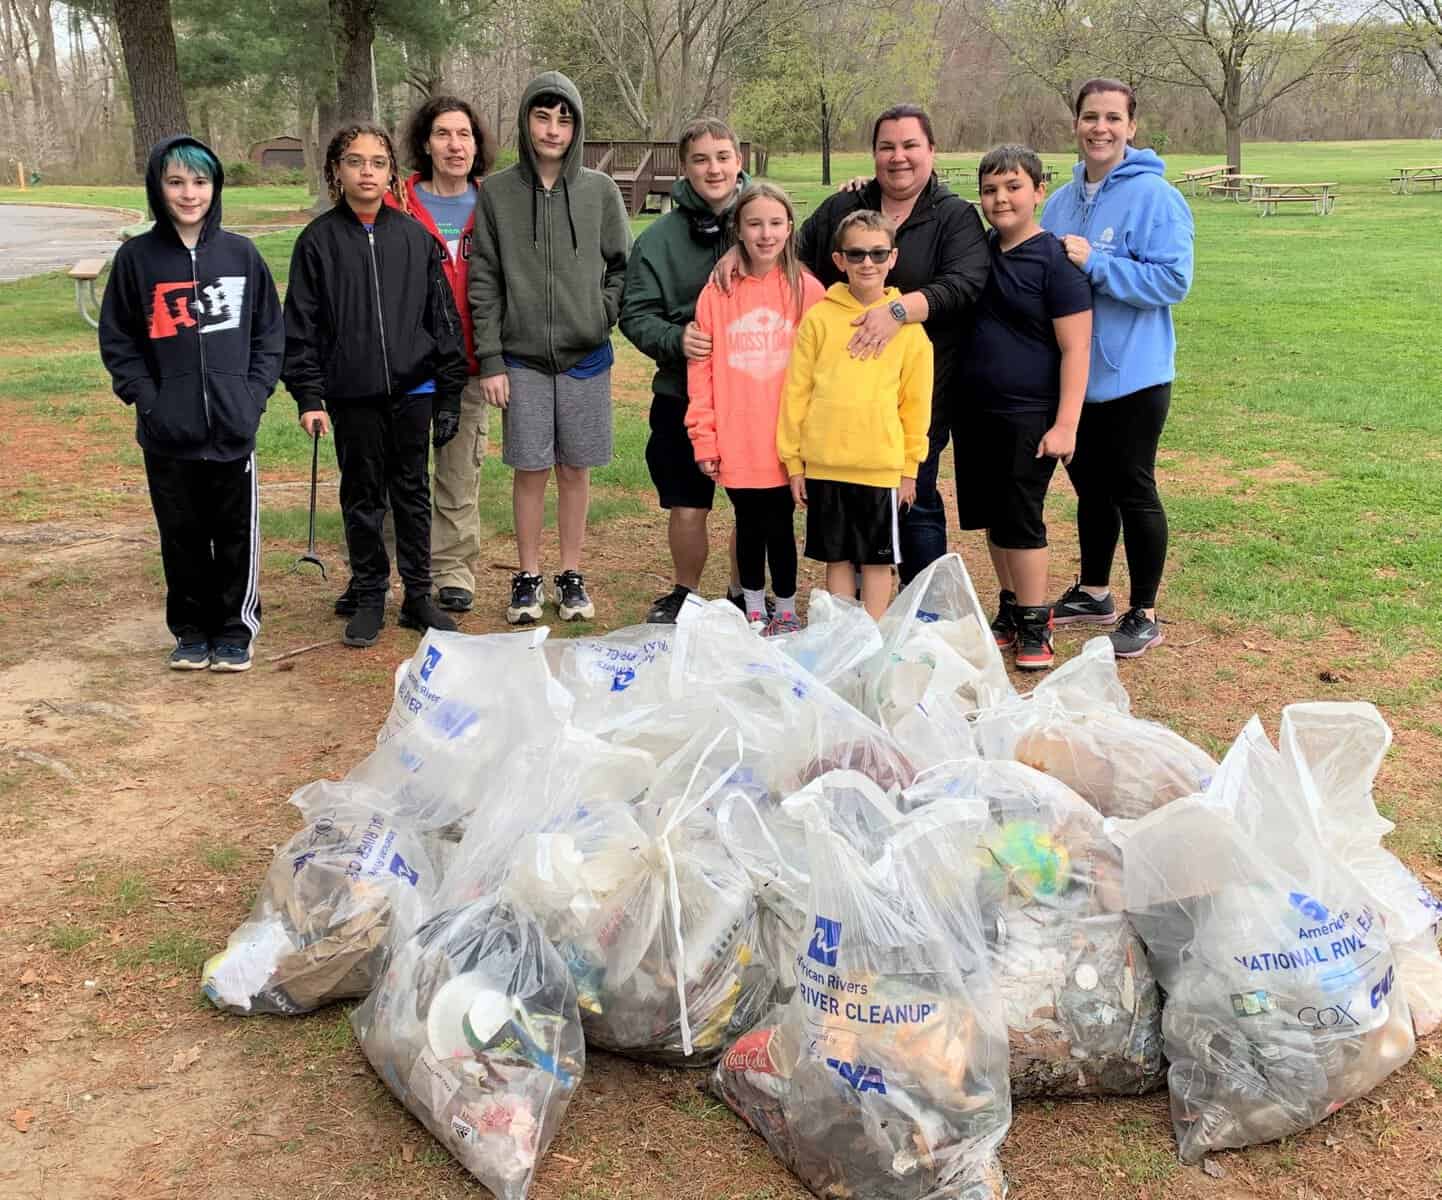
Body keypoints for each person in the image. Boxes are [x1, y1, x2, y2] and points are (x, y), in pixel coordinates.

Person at [716, 104, 988, 586]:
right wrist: (740, 250)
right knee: (847, 519)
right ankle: (855, 614)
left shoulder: (954, 216)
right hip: (840, 410)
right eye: (887, 147)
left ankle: (922, 608)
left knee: (916, 499)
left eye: (910, 146)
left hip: (914, 391)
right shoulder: (846, 205)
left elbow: (965, 284)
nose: (898, 157)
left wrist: (897, 311)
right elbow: (788, 247)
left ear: (932, 152)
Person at [98, 135, 284, 673]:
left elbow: (269, 335)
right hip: (167, 433)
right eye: (175, 182)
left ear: (215, 187)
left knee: (232, 536)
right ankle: (190, 630)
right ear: (158, 187)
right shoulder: (137, 259)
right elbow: (119, 341)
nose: (188, 193)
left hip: (232, 427)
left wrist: (252, 397)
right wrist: (149, 400)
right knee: (180, 537)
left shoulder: (241, 255)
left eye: (200, 182)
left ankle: (234, 628)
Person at [282, 121, 468, 648]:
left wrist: (449, 392)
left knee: (411, 493)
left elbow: (443, 320)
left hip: (414, 390)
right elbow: (302, 326)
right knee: (363, 494)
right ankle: (368, 593)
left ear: (392, 173)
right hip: (352, 393)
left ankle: (417, 594)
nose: (368, 172)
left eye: (378, 162)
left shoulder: (413, 238)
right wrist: (310, 395)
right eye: (356, 162)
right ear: (336, 172)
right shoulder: (318, 242)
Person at [1040, 78, 1195, 658]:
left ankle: (1144, 609)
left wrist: (1097, 261)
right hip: (1076, 376)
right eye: (1089, 117)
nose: (1099, 128)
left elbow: (1173, 280)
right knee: (1089, 490)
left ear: (1131, 128)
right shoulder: (1060, 201)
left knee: (1134, 488)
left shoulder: (1157, 197)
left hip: (1136, 375)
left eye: (1112, 118)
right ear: (1076, 125)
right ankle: (1095, 591)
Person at [469, 71, 631, 625]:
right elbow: (483, 278)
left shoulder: (600, 192)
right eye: (543, 116)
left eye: (564, 118)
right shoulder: (496, 193)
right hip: (522, 359)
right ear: (525, 122)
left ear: (577, 126)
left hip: (586, 357)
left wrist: (599, 314)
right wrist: (490, 358)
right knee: (531, 468)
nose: (553, 128)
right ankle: (528, 576)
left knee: (575, 469)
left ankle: (570, 572)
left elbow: (621, 269)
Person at [332, 96, 499, 619]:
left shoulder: (493, 205)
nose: (455, 145)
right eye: (444, 134)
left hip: (466, 361)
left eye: (465, 135)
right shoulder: (398, 201)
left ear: (478, 144)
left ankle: (450, 571)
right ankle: (374, 576)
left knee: (456, 473)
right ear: (424, 142)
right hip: (395, 365)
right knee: (383, 478)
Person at [959, 145, 1092, 671]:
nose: (1000, 198)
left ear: (1038, 191)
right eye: (990, 189)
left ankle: (1038, 621)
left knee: (1021, 518)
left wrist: (1066, 424)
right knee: (994, 518)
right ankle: (1011, 605)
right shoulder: (978, 250)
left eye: (1013, 187)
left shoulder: (1055, 261)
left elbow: (1076, 347)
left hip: (1030, 414)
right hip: (975, 412)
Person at [621, 117, 750, 623]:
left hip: (753, 394)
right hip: (682, 390)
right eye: (701, 159)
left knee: (753, 501)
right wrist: (676, 339)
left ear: (738, 161)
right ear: (685, 167)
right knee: (688, 502)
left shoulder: (768, 220)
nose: (713, 168)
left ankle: (746, 589)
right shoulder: (658, 239)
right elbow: (634, 313)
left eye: (722, 156)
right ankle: (685, 591)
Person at [777, 211, 933, 620]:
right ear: (839, 259)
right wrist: (795, 462)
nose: (868, 263)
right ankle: (844, 635)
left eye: (878, 253)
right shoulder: (819, 319)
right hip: (826, 465)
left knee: (878, 562)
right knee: (838, 558)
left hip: (879, 468)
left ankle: (875, 637)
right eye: (857, 253)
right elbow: (797, 392)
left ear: (893, 258)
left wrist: (909, 469)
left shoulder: (911, 331)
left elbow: (916, 406)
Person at [686, 183, 825, 635]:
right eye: (754, 224)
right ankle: (751, 605)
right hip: (737, 435)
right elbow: (701, 371)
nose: (766, 234)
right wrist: (704, 435)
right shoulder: (717, 292)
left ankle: (785, 607)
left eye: (775, 223)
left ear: (790, 227)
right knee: (748, 525)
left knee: (782, 525)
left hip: (787, 438)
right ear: (738, 230)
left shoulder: (808, 291)